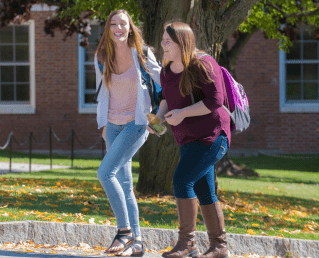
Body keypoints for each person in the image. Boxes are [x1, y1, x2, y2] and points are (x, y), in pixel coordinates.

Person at [148, 21, 231, 258]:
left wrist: (183, 113)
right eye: (163, 39)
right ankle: (219, 246)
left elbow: (215, 100)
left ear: (182, 43)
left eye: (167, 41)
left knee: (182, 180)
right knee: (205, 190)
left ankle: (187, 243)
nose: (162, 44)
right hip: (187, 138)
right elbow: (166, 99)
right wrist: (159, 119)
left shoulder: (203, 64)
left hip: (213, 136)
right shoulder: (166, 70)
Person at [94, 9, 161, 257]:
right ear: (108, 28)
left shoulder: (142, 53)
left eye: (123, 23)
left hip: (137, 122)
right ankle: (138, 242)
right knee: (124, 183)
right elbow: (101, 91)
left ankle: (124, 232)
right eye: (114, 23)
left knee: (104, 172)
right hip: (112, 125)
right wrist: (103, 124)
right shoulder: (101, 55)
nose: (119, 28)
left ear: (130, 27)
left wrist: (160, 114)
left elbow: (162, 79)